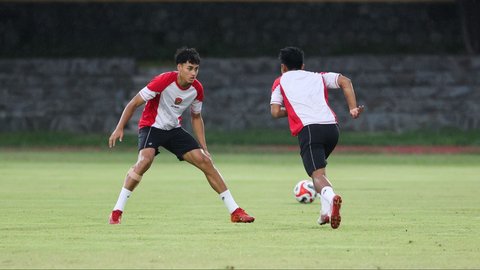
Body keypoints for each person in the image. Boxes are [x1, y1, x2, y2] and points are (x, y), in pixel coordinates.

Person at [108, 47, 254, 224]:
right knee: (145, 161)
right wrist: (119, 127)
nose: (193, 73)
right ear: (179, 67)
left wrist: (204, 148)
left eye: (196, 69)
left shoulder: (197, 89)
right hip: (152, 126)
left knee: (206, 161)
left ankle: (235, 211)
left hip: (173, 130)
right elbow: (134, 103)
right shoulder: (163, 81)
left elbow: (196, 117)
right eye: (189, 68)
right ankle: (117, 211)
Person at [270, 47, 364, 229]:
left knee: (317, 175)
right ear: (303, 66)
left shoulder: (280, 81)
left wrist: (292, 110)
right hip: (332, 129)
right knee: (320, 170)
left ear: (283, 67)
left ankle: (332, 197)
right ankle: (324, 214)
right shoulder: (318, 76)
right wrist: (352, 108)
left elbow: (274, 111)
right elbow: (346, 81)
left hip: (310, 130)